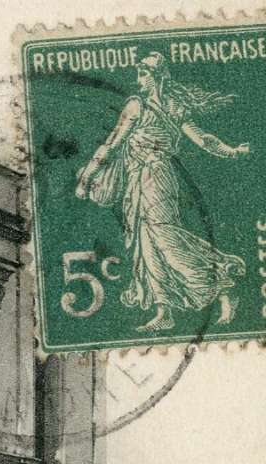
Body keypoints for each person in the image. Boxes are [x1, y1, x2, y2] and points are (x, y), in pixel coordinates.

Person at [76, 52, 249, 333]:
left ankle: (222, 282)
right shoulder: (142, 105)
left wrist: (232, 152)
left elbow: (202, 139)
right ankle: (164, 310)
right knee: (145, 242)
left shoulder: (159, 106)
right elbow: (113, 143)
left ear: (156, 76)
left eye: (143, 73)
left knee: (163, 235)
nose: (139, 79)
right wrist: (89, 175)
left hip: (157, 177)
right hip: (137, 180)